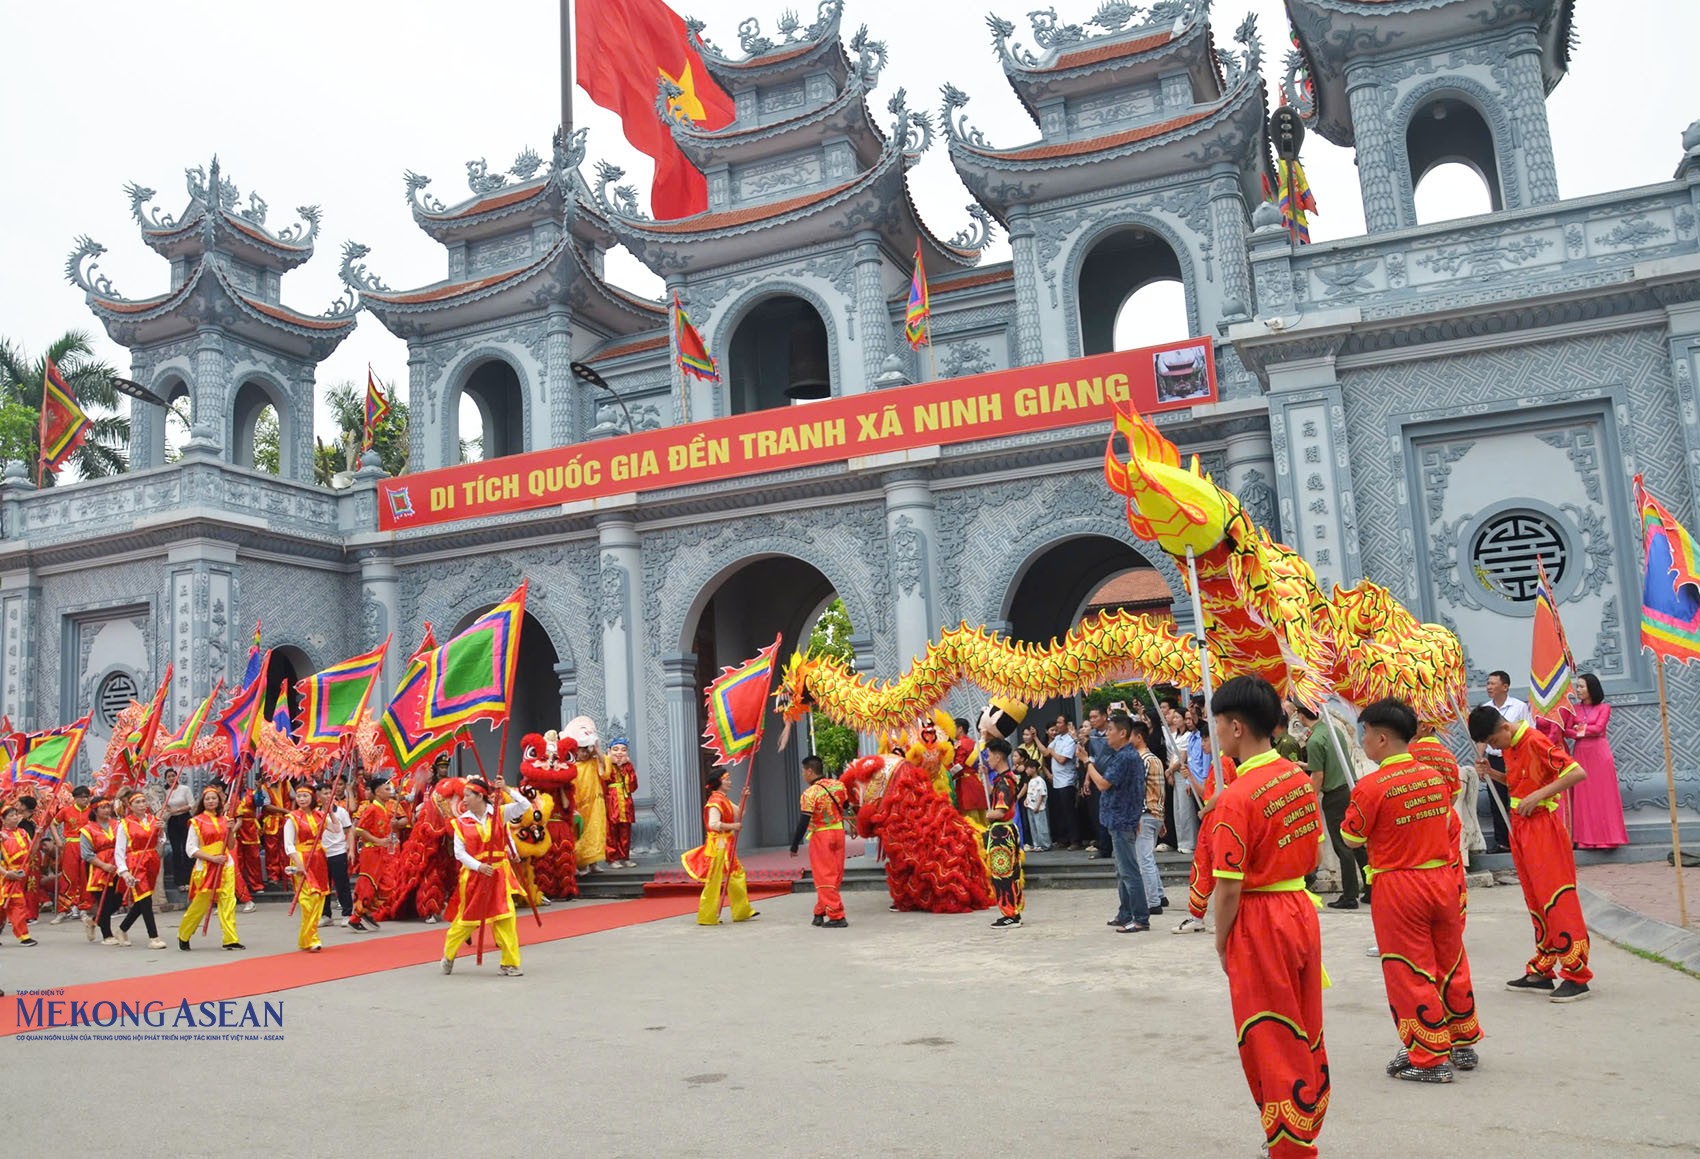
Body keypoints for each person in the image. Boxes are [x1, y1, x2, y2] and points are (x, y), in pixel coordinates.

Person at [1205, 676, 1328, 1159]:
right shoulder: (1295, 777)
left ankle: (1291, 1146)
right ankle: (1300, 1126)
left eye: (1217, 722)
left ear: (1237, 727)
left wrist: (1221, 940)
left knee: (1268, 1034)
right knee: (1301, 1022)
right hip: (1298, 908)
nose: (1215, 732)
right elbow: (1315, 853)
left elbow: (1228, 886)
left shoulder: (1237, 797)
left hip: (1260, 920)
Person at [1343, 699, 1482, 1083]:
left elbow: (1351, 837)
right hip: (1441, 878)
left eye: (1365, 734)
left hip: (1399, 883)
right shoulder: (1434, 778)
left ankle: (1428, 1055)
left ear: (1382, 738)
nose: (1364, 740)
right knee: (1450, 960)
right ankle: (1461, 1040)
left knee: (1409, 967)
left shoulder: (1371, 786)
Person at [1468, 706, 1593, 1001]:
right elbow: (1519, 782)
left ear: (1504, 729)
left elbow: (1576, 772)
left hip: (1543, 827)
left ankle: (1576, 973)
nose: (1496, 748)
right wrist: (1492, 773)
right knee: (1536, 898)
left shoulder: (1534, 740)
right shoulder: (1511, 746)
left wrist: (1539, 795)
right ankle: (1545, 966)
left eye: (1495, 742)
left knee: (1556, 896)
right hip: (1522, 826)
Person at [441, 776, 530, 977]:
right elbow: (459, 853)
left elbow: (524, 805)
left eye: (467, 795)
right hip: (475, 877)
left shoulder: (500, 814)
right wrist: (479, 866)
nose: (463, 800)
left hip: (499, 874)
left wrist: (506, 788)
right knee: (467, 921)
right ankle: (449, 954)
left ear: (480, 796)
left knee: (505, 917)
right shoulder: (461, 823)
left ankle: (510, 963)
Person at [1084, 712, 1150, 933]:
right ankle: (1125, 913)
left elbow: (1103, 784)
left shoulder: (1125, 757)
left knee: (1129, 871)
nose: (1108, 734)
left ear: (1123, 733)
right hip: (1121, 818)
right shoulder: (1125, 755)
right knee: (1122, 871)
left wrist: (1087, 763)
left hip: (1122, 818)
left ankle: (1140, 917)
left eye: (1111, 729)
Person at [1297, 703, 1362, 910]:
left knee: (1341, 845)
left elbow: (1318, 776)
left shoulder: (1314, 740)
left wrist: (1308, 802)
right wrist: (1306, 766)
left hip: (1334, 796)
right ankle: (1370, 888)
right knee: (1357, 842)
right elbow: (1328, 764)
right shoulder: (1333, 732)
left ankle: (1350, 896)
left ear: (1301, 716)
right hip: (1350, 788)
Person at [1559, 673, 1628, 849]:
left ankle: (1608, 838)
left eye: (1582, 686)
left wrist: (1579, 729)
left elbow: (1598, 729)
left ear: (1592, 688)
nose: (1578, 690)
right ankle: (1585, 840)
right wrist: (1581, 730)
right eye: (1578, 686)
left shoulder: (1604, 707)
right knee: (1583, 796)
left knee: (1603, 795)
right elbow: (1566, 731)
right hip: (1581, 753)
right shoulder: (1574, 708)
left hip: (1600, 754)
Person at [681, 769, 757, 926]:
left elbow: (739, 813)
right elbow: (713, 824)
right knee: (714, 881)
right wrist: (733, 826)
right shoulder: (715, 802)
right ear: (718, 782)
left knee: (736, 875)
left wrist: (744, 797)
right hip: (718, 846)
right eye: (726, 779)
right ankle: (707, 916)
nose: (729, 781)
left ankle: (742, 911)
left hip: (726, 845)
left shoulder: (723, 799)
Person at [177, 786, 243, 951]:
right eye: (208, 798)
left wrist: (231, 830)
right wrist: (212, 858)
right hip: (205, 867)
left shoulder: (225, 820)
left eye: (214, 798)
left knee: (229, 901)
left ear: (219, 801)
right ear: (203, 802)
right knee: (200, 904)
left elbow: (231, 845)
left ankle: (230, 939)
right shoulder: (196, 821)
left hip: (225, 865)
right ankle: (184, 934)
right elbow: (190, 849)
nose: (211, 801)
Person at [789, 755, 851, 927]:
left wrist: (794, 845)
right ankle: (820, 911)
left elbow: (804, 821)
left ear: (810, 771)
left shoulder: (810, 794)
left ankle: (836, 915)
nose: (803, 775)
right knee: (834, 874)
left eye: (803, 771)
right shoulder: (839, 785)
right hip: (838, 832)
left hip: (822, 835)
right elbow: (846, 806)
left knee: (824, 876)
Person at [1474, 671, 1528, 853]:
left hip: (1513, 756)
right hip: (1494, 759)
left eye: (1493, 683)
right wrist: (1480, 760)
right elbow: (1481, 739)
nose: (1489, 687)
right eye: (1487, 683)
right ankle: (1502, 841)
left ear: (1505, 686)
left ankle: (1521, 838)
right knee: (1496, 800)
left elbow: (1526, 731)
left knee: (1516, 797)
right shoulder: (1485, 709)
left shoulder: (1519, 706)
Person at [113, 788, 167, 949]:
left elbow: (161, 841)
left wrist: (161, 829)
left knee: (143, 898)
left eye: (144, 801)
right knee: (145, 899)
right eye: (138, 802)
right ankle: (154, 937)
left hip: (151, 860)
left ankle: (122, 929)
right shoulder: (124, 824)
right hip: (135, 861)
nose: (142, 805)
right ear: (130, 805)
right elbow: (119, 849)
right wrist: (124, 871)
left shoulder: (153, 819)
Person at [983, 738, 1025, 928]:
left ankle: (1010, 914)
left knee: (1003, 874)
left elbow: (999, 811)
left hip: (1002, 832)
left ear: (998, 756)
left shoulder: (1004, 781)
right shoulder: (1004, 779)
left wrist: (987, 814)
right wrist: (984, 776)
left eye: (990, 755)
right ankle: (1011, 912)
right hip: (1005, 830)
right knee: (1007, 873)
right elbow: (995, 796)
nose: (988, 758)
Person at [284, 784, 331, 952]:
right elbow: (289, 845)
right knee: (307, 900)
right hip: (301, 859)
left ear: (312, 798)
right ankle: (312, 938)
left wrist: (329, 810)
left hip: (318, 859)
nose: (302, 799)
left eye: (305, 796)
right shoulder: (292, 818)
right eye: (299, 796)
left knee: (319, 897)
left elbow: (337, 829)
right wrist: (299, 864)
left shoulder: (320, 815)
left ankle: (306, 938)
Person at [352, 775, 401, 930]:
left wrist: (392, 832)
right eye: (387, 789)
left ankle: (365, 910)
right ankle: (355, 917)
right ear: (378, 792)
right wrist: (379, 841)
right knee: (368, 884)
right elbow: (359, 830)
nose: (390, 791)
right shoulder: (372, 808)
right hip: (371, 851)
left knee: (388, 885)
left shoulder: (386, 808)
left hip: (383, 852)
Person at [1130, 720, 1169, 916]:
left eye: (1131, 735)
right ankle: (1160, 895)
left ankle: (1153, 901)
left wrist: (1136, 815)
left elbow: (1138, 790)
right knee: (1148, 857)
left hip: (1145, 814)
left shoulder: (1142, 760)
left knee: (1143, 859)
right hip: (1156, 813)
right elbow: (1161, 790)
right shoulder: (1156, 759)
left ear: (1139, 737)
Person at [81, 798, 122, 945]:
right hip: (98, 867)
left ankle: (93, 921)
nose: (106, 810)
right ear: (95, 810)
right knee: (104, 900)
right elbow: (86, 854)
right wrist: (103, 865)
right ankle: (107, 934)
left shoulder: (117, 825)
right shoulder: (88, 829)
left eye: (108, 807)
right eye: (103, 807)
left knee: (118, 900)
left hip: (117, 864)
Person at [51, 785, 93, 921]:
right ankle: (64, 909)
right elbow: (53, 824)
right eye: (81, 797)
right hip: (71, 845)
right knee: (69, 877)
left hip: (87, 845)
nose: (85, 800)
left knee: (85, 877)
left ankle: (84, 908)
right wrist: (57, 839)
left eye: (87, 797)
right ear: (75, 798)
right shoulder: (66, 811)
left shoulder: (92, 811)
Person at [1, 804, 37, 946]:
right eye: (11, 816)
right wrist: (7, 874)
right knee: (17, 904)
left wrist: (38, 836)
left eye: (16, 815)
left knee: (6, 905)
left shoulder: (23, 832)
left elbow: (31, 853)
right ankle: (24, 936)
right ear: (3, 820)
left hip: (21, 874)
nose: (15, 818)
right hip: (6, 876)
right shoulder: (1, 836)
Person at [1042, 715, 1080, 850]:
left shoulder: (1070, 740)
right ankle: (1063, 838)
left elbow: (1062, 759)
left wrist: (1052, 752)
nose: (1057, 725)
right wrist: (1036, 738)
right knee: (1060, 812)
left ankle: (1075, 840)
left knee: (1069, 812)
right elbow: (1046, 752)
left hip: (1067, 781)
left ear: (1066, 724)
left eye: (1059, 722)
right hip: (1057, 781)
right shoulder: (1057, 738)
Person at [604, 737, 640, 868]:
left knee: (625, 830)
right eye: (615, 749)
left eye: (623, 750)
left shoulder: (628, 766)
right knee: (611, 831)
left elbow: (633, 786)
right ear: (609, 751)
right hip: (611, 800)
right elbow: (603, 780)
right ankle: (613, 858)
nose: (619, 753)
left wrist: (627, 769)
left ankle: (625, 857)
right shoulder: (606, 765)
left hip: (625, 801)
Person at [162, 772, 193, 898]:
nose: (171, 778)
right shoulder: (165, 792)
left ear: (177, 777)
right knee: (176, 851)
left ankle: (189, 879)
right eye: (168, 777)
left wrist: (178, 810)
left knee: (187, 849)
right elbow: (164, 808)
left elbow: (191, 804)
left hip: (185, 819)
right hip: (173, 821)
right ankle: (179, 881)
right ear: (165, 779)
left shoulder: (184, 789)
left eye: (173, 776)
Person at [1021, 754, 1050, 852]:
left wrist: (1037, 805)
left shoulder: (1040, 780)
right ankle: (1036, 844)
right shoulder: (1030, 780)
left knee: (1041, 826)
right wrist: (1026, 801)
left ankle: (1045, 844)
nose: (1026, 771)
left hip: (1038, 807)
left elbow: (1042, 794)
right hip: (1030, 806)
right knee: (1033, 827)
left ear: (1033, 768)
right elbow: (1029, 793)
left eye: (1027, 768)